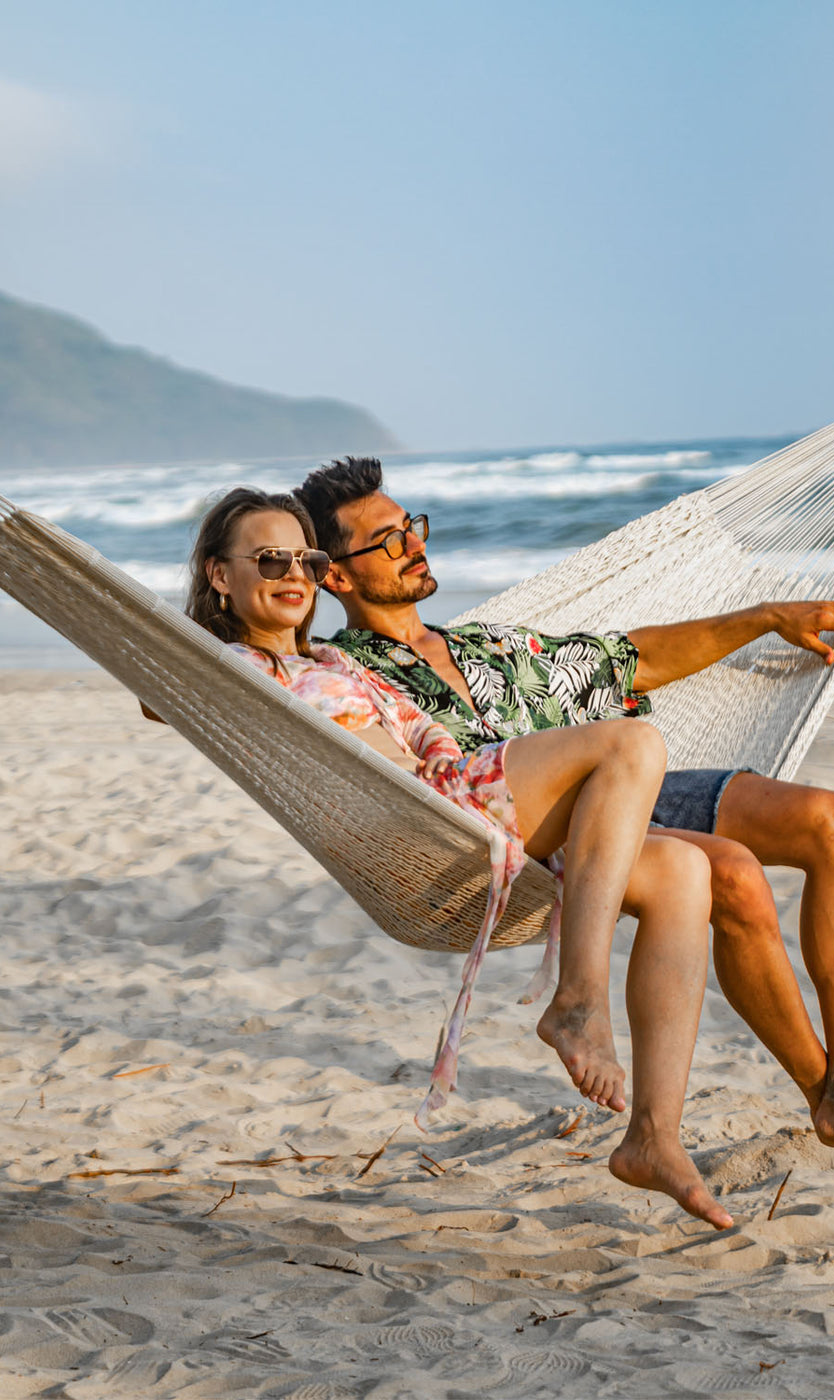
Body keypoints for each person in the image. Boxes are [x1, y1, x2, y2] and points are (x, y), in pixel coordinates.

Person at [295, 457, 834, 1186]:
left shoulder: (487, 648)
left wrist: (767, 616)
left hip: (621, 788)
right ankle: (828, 1100)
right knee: (729, 872)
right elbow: (235, 671)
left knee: (833, 821)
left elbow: (627, 663)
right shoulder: (337, 668)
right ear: (336, 577)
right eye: (387, 540)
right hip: (524, 833)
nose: (415, 543)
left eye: (411, 526)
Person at [186, 485, 733, 1228]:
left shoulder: (337, 664)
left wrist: (436, 759)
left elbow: (418, 732)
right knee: (632, 741)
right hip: (424, 830)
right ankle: (577, 1000)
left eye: (304, 558)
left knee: (684, 870)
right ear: (221, 576)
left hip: (449, 798)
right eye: (269, 559)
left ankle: (652, 1136)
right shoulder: (235, 667)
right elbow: (168, 690)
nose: (292, 573)